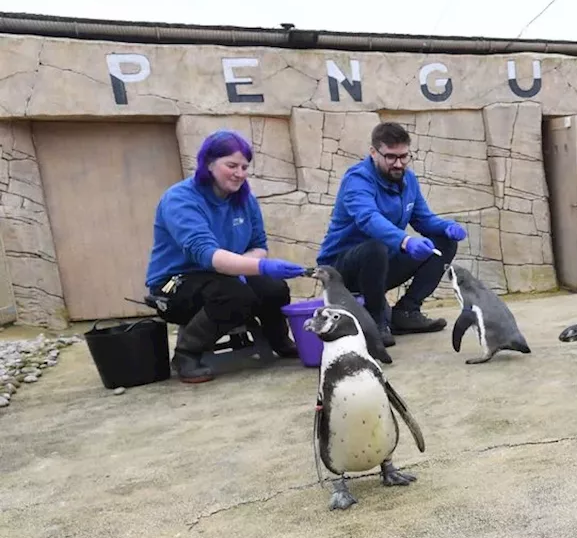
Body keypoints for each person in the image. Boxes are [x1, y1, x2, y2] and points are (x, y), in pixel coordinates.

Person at [144, 129, 309, 384]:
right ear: (208, 163)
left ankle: (279, 340)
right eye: (231, 165)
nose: (240, 173)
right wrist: (260, 266)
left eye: (244, 167)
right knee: (233, 294)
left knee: (274, 288)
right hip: (176, 282)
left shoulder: (245, 200)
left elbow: (258, 245)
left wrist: (252, 265)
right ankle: (187, 354)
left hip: (222, 275)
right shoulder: (181, 199)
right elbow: (206, 254)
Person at [315, 122, 467, 347]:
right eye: (391, 157)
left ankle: (406, 312)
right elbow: (368, 219)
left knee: (443, 243)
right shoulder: (357, 180)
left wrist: (447, 227)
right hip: (343, 269)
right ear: (373, 152)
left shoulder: (408, 180)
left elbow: (423, 219)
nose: (398, 163)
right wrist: (405, 241)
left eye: (404, 156)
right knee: (375, 247)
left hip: (382, 263)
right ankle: (377, 322)